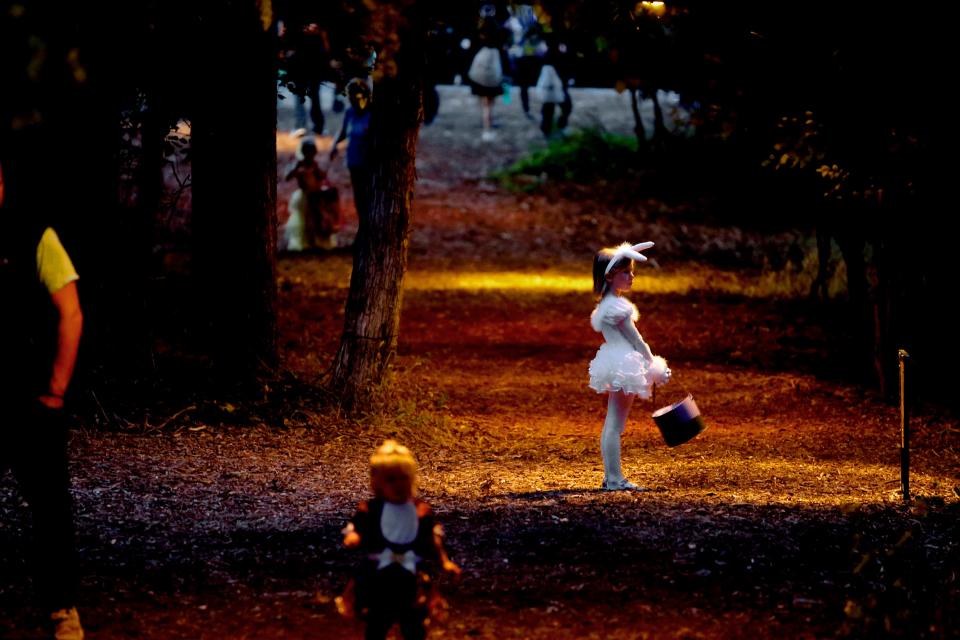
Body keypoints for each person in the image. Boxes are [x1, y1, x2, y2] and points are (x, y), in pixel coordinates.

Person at [0, 160, 85, 639]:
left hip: (31, 400)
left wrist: (55, 389)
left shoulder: (36, 236)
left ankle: (61, 608)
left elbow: (70, 313)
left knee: (51, 508)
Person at [337, 440, 461, 640]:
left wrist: (444, 562)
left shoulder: (420, 510)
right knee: (377, 623)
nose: (398, 484)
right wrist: (354, 536)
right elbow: (358, 528)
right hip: (379, 577)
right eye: (391, 479)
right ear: (378, 483)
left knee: (414, 623)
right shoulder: (371, 510)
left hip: (410, 576)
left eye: (403, 478)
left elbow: (431, 538)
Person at [588, 242, 671, 491]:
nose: (631, 276)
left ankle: (611, 476)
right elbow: (637, 341)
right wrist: (654, 364)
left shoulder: (605, 306)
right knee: (615, 424)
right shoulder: (618, 308)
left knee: (613, 423)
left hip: (615, 360)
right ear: (610, 276)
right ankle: (614, 478)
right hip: (625, 362)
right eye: (626, 272)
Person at [284, 136, 340, 251]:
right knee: (305, 219)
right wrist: (295, 171)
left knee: (316, 218)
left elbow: (321, 176)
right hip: (304, 195)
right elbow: (288, 177)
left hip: (315, 194)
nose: (310, 155)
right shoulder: (299, 164)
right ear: (303, 152)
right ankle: (306, 241)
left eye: (312, 152)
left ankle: (317, 240)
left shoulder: (314, 165)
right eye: (307, 152)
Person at [330, 78, 373, 222]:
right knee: (359, 196)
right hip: (353, 161)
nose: (354, 102)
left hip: (368, 163)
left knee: (369, 196)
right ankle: (363, 225)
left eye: (357, 98)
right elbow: (342, 132)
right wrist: (334, 145)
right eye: (351, 99)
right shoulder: (350, 112)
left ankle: (369, 225)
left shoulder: (373, 114)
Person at [466, 16, 507, 141]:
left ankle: (486, 123)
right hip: (493, 73)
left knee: (485, 103)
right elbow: (503, 55)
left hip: (480, 73)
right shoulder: (498, 39)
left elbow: (470, 53)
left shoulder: (478, 37)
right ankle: (487, 127)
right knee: (489, 103)